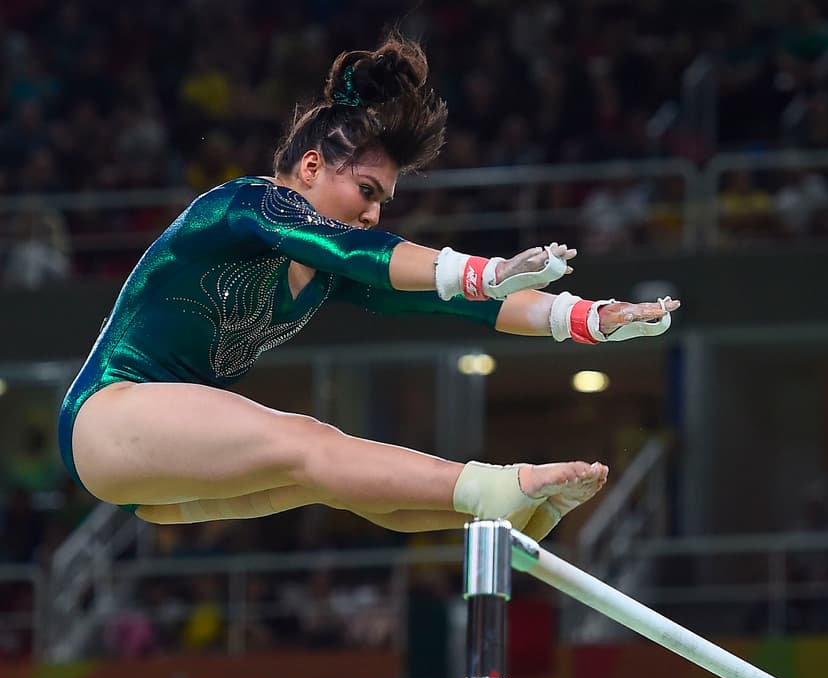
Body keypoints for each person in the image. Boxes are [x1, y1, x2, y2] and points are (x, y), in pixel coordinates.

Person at [57, 36, 680, 542]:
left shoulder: (324, 275)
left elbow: (449, 301)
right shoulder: (246, 205)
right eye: (367, 191)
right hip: (107, 416)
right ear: (310, 167)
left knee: (336, 477)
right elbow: (364, 252)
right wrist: (485, 269)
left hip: (157, 486)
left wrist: (587, 317)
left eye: (384, 200)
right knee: (308, 441)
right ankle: (493, 484)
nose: (375, 214)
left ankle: (490, 511)